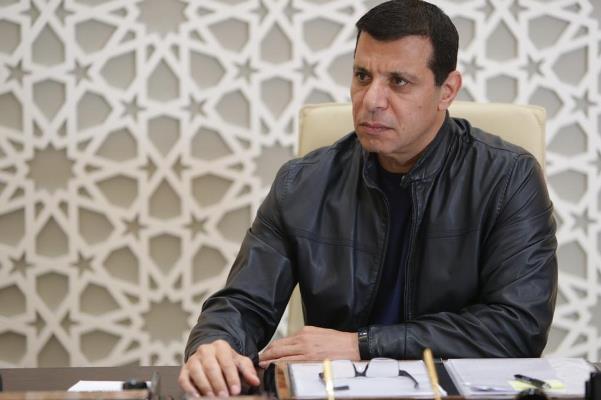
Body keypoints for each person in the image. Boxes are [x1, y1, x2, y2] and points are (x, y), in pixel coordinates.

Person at [178, 0, 558, 396]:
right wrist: (215, 345)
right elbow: (243, 304)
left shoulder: (509, 178)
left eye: (399, 82)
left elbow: (517, 329)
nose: (371, 100)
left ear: (446, 91)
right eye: (362, 76)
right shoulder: (302, 182)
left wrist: (362, 345)